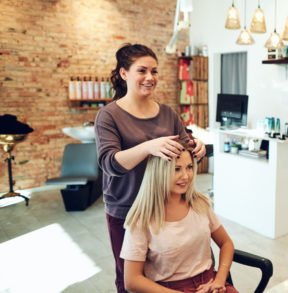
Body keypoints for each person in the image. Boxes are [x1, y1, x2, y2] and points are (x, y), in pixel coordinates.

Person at [95, 43, 206, 293]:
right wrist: (148, 147)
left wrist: (197, 147)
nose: (150, 78)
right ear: (124, 73)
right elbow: (108, 163)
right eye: (142, 70)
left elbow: (183, 148)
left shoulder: (168, 113)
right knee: (131, 279)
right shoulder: (109, 116)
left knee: (164, 275)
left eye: (154, 71)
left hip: (166, 205)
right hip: (127, 209)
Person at [121, 141, 237, 293]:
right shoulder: (141, 220)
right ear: (159, 172)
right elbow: (131, 281)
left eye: (189, 167)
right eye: (176, 169)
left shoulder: (200, 204)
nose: (186, 176)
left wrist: (219, 280)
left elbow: (226, 243)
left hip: (210, 283)